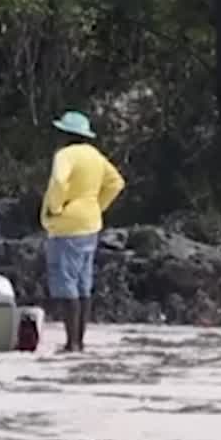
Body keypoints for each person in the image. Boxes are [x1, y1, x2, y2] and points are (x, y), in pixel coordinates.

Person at [39, 111, 125, 353]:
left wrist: (56, 207)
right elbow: (116, 183)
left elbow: (59, 181)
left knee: (67, 282)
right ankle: (80, 340)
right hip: (91, 223)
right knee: (83, 283)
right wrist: (98, 205)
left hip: (67, 225)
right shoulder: (95, 155)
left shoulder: (65, 155)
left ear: (67, 134)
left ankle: (72, 343)